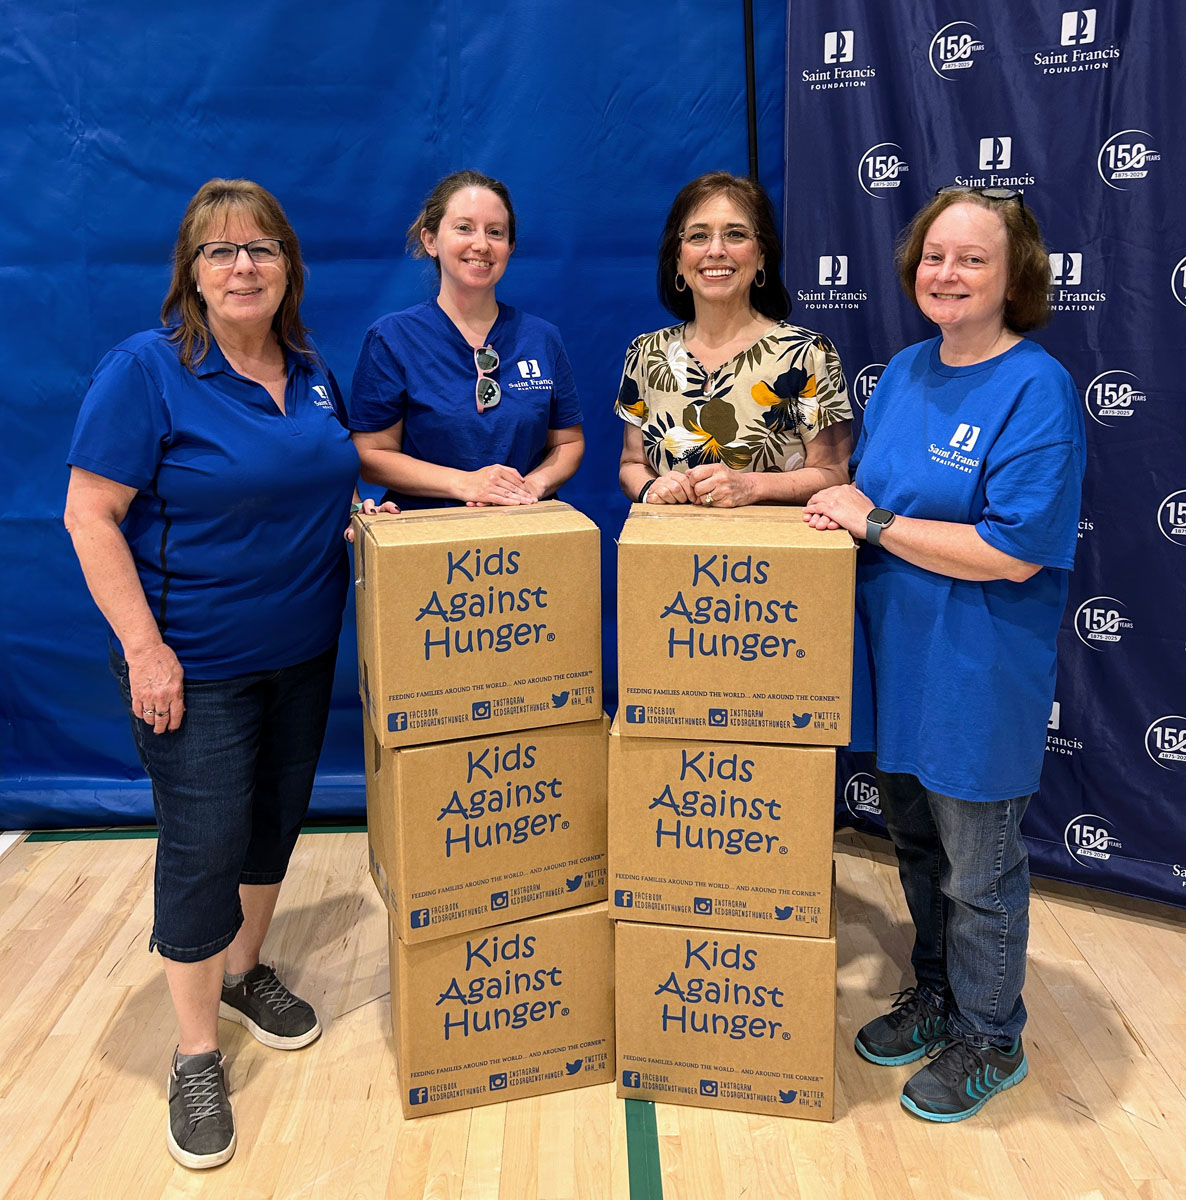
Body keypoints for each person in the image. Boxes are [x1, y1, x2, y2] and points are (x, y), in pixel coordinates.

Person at [64, 178, 392, 1169]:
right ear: (192, 274)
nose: (242, 266)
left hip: (302, 653)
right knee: (203, 847)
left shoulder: (310, 369)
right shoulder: (147, 372)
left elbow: (313, 484)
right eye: (220, 252)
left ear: (288, 266)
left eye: (261, 249)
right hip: (193, 666)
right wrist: (144, 649)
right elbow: (89, 515)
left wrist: (359, 522)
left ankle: (247, 972)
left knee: (270, 829)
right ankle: (196, 1051)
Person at [804, 186, 1085, 1122]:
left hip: (978, 674)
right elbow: (863, 500)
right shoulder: (907, 372)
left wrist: (875, 521)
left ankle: (991, 1035)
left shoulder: (1035, 387)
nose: (947, 273)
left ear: (1015, 277)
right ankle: (937, 992)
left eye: (972, 258)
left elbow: (1011, 552)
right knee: (918, 850)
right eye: (935, 255)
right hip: (898, 664)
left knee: (982, 868)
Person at [349, 170, 584, 508]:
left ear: (510, 247)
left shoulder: (542, 338)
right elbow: (371, 455)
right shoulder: (391, 338)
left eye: (495, 232)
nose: (481, 244)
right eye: (464, 228)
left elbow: (568, 443)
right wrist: (466, 485)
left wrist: (532, 486)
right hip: (430, 538)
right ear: (431, 241)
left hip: (526, 529)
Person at [616, 171, 852, 507]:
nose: (716, 250)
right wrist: (651, 489)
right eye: (698, 236)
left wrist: (752, 486)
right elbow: (632, 464)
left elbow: (834, 474)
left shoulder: (807, 354)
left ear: (761, 257)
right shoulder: (646, 353)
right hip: (669, 551)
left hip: (772, 554)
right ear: (678, 261)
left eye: (736, 234)